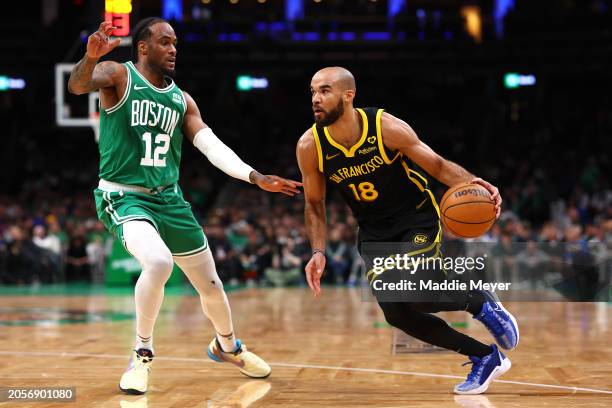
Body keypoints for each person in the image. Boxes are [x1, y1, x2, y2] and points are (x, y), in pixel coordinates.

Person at [68, 18, 301, 395]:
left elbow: (210, 146)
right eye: (164, 42)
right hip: (123, 196)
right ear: (143, 47)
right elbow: (77, 84)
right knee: (158, 262)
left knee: (210, 285)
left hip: (169, 198)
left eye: (175, 42)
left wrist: (255, 177)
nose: (173, 49)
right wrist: (90, 57)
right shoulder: (117, 75)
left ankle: (228, 347)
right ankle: (142, 353)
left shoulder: (182, 99)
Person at [296, 67, 519, 395]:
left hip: (416, 217)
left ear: (348, 95)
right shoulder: (310, 146)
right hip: (373, 231)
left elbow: (438, 166)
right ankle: (485, 357)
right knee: (398, 312)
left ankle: (481, 301)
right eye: (313, 92)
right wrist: (318, 251)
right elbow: (315, 204)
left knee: (415, 290)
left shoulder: (384, 127)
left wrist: (476, 184)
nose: (316, 98)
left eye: (325, 91)